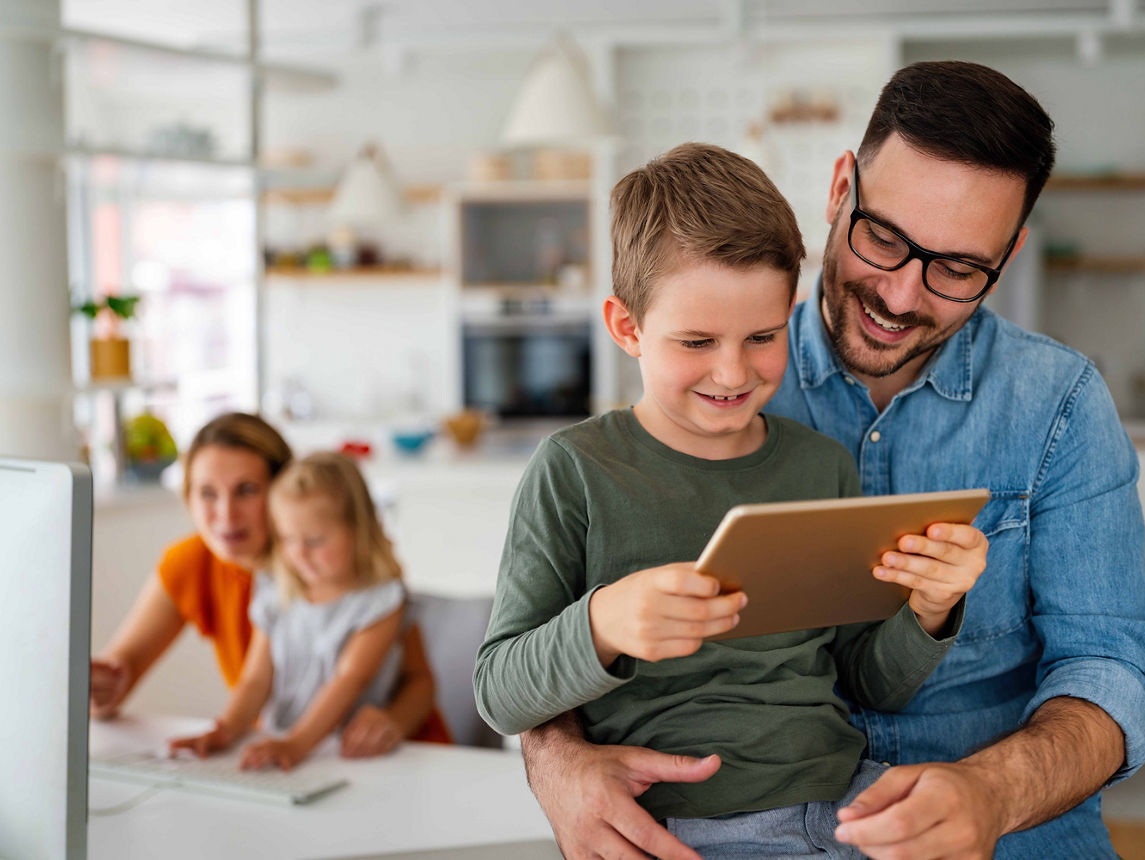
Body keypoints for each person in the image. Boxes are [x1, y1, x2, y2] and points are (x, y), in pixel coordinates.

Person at [518, 61, 1145, 860]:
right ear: (838, 190)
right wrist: (556, 759)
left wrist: (993, 792)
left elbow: (1112, 670)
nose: (900, 295)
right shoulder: (722, 381)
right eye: (883, 237)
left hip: (1013, 828)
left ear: (1009, 255)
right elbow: (534, 642)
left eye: (958, 269)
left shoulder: (1061, 404)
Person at [474, 142, 989, 856]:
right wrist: (605, 623)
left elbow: (868, 681)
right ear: (628, 328)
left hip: (846, 808)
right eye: (696, 340)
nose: (732, 371)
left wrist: (932, 611)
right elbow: (499, 692)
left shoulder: (820, 466)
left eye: (763, 337)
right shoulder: (576, 470)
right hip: (689, 829)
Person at [90, 412, 449, 756]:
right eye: (207, 493)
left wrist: (392, 721)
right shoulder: (192, 564)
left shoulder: (344, 571)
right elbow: (116, 675)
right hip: (293, 753)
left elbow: (420, 681)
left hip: (392, 750)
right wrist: (101, 690)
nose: (226, 515)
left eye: (246, 490)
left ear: (282, 489)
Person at [168, 451, 437, 770]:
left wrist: (296, 744)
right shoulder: (276, 591)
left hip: (347, 755)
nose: (299, 554)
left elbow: (349, 678)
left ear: (357, 529)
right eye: (286, 539)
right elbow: (255, 680)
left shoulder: (380, 601)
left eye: (314, 540)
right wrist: (225, 729)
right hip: (283, 748)